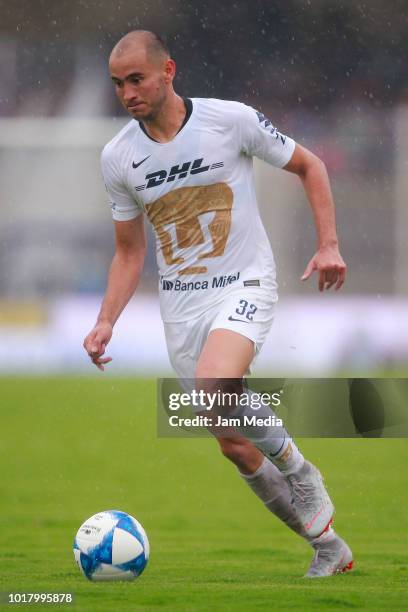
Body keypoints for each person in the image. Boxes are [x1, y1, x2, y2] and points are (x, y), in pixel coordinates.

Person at [83, 30, 352, 578]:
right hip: (181, 310)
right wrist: (105, 319)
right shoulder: (118, 159)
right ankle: (327, 547)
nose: (128, 92)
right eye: (118, 84)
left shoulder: (230, 119)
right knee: (233, 444)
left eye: (137, 79)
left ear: (168, 72)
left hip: (244, 283)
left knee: (215, 383)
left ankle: (301, 471)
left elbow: (311, 167)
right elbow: (130, 253)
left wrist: (328, 245)